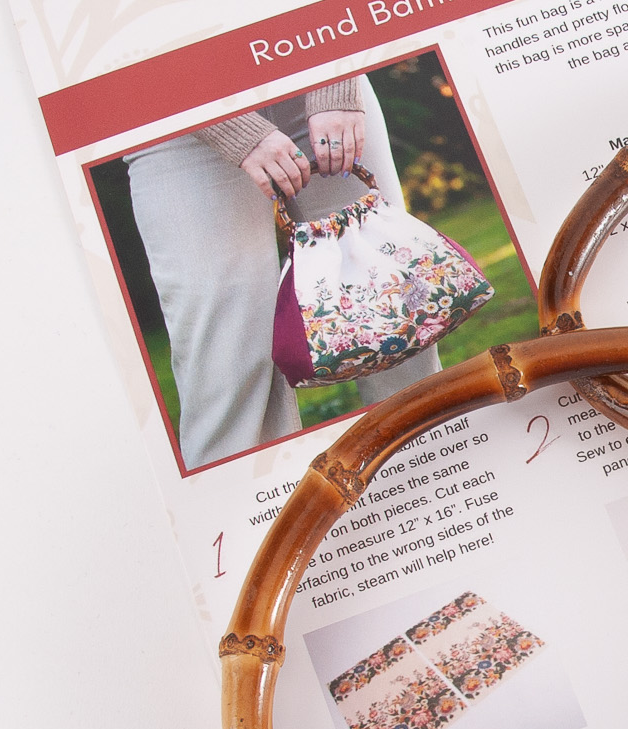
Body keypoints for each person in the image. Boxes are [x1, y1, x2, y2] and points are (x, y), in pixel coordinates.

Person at [125, 76, 441, 469]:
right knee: (228, 362)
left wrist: (334, 84)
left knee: (398, 322)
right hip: (174, 119)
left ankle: (437, 477)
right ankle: (255, 505)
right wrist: (238, 131)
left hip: (314, 84)